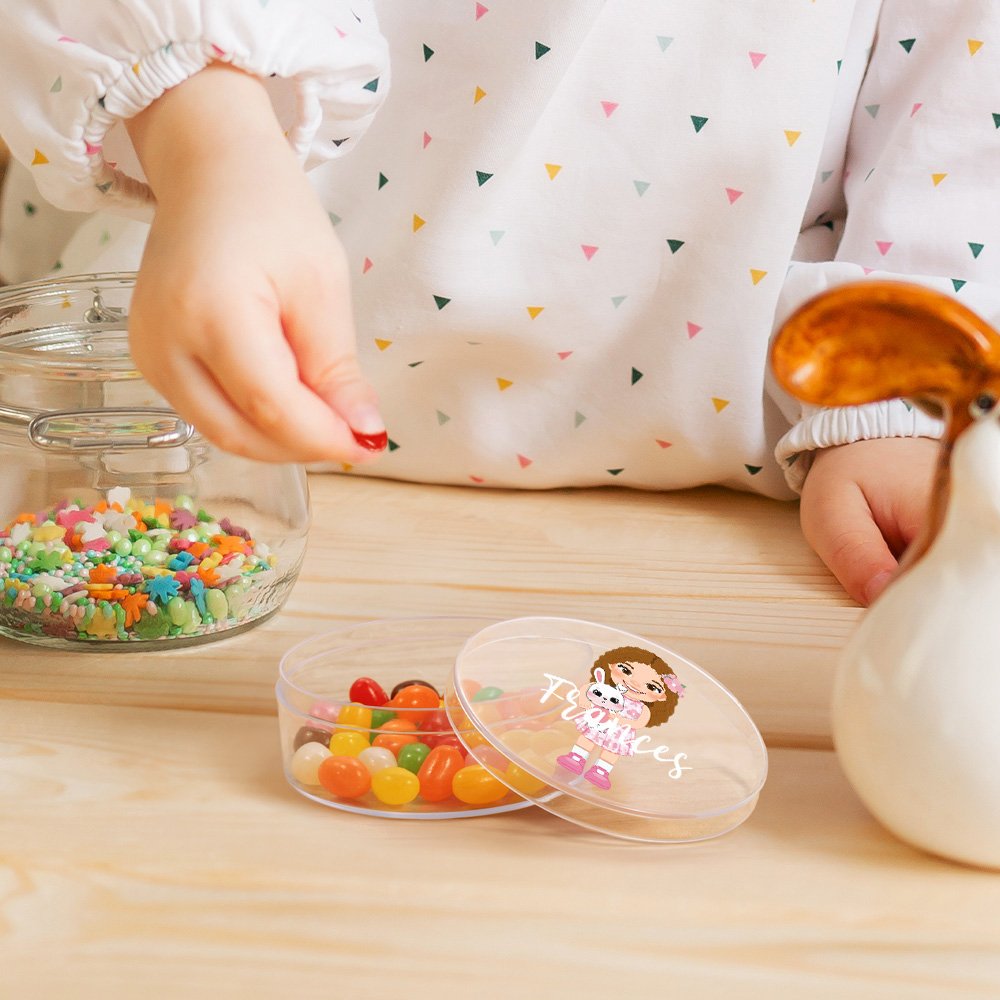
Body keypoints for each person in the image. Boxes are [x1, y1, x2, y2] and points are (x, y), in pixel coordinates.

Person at [2, 1, 996, 606]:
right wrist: (209, 137)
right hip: (151, 406)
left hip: (751, 447)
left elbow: (963, 72)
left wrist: (902, 389)